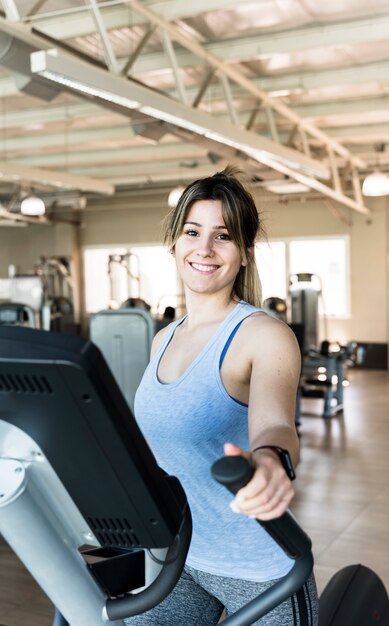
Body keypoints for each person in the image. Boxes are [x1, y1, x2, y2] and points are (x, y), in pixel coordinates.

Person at [127, 166, 318, 625]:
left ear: (246, 252)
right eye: (193, 232)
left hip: (260, 568)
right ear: (175, 244)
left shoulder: (262, 334)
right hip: (179, 557)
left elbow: (276, 425)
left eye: (224, 236)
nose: (205, 249)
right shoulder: (164, 339)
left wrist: (270, 461)